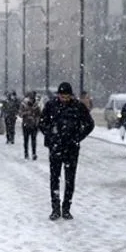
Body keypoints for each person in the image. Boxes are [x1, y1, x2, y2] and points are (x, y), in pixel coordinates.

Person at [39, 82, 95, 220]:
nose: (64, 99)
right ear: (58, 95)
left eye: (67, 97)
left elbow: (89, 124)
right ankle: (55, 208)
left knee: (70, 180)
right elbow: (42, 122)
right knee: (54, 178)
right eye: (62, 96)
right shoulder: (51, 106)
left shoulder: (78, 107)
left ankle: (66, 208)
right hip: (56, 147)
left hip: (71, 148)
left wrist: (78, 137)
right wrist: (51, 136)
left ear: (70, 95)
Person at [20, 92, 41, 160]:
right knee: (26, 140)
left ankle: (34, 153)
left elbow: (39, 115)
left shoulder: (36, 105)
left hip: (34, 125)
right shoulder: (24, 104)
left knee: (33, 140)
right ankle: (26, 153)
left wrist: (37, 121)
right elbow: (20, 114)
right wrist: (26, 113)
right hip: (26, 124)